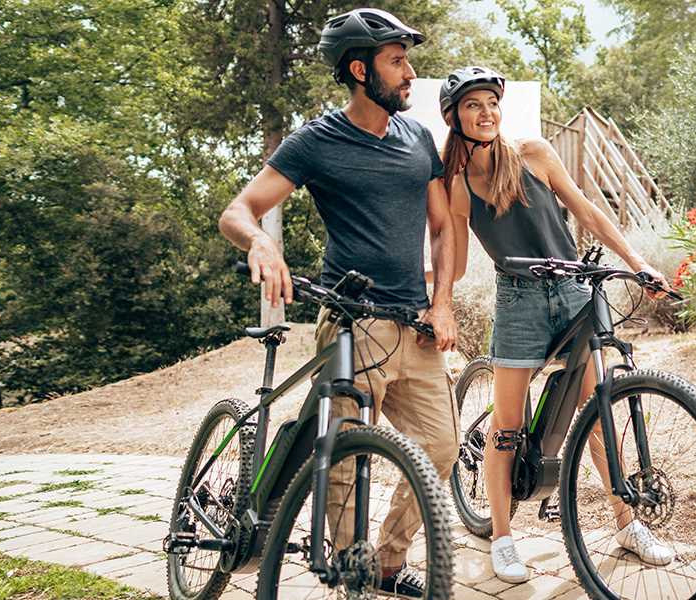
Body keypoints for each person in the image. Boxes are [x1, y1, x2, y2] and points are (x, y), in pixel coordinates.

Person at [217, 9, 458, 598]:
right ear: (359, 68)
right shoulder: (317, 141)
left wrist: (443, 301)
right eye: (397, 61)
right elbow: (237, 212)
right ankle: (350, 571)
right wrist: (263, 242)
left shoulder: (417, 139)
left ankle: (385, 561)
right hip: (353, 321)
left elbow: (444, 228)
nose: (410, 73)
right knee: (345, 458)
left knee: (443, 449)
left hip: (414, 324)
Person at [439, 66, 676, 584]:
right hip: (518, 299)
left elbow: (587, 211)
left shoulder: (533, 153)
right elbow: (454, 259)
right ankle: (503, 537)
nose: (486, 113)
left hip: (573, 290)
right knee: (507, 428)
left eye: (491, 103)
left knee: (599, 415)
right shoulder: (458, 184)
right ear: (454, 117)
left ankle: (626, 523)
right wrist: (439, 302)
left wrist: (637, 260)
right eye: (473, 105)